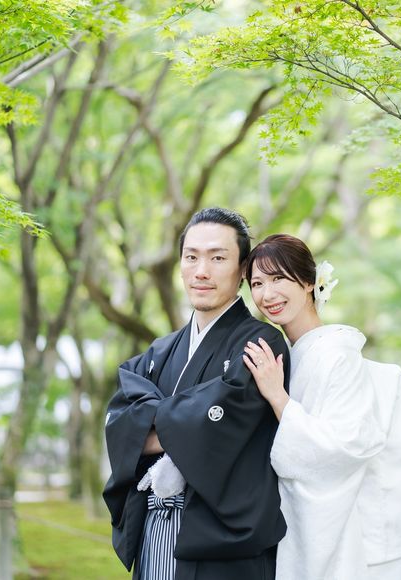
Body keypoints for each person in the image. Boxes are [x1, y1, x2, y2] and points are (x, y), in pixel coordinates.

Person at [103, 209, 290, 580]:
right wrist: (184, 421)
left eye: (217, 258)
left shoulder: (261, 343)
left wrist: (146, 425)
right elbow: (119, 422)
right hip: (154, 532)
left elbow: (221, 424)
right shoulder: (159, 352)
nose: (201, 271)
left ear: (242, 269)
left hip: (224, 548)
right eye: (191, 257)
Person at [243, 234, 401, 580]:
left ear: (309, 282)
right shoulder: (295, 355)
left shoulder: (336, 355)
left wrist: (278, 398)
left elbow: (344, 446)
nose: (267, 294)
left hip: (367, 546)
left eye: (278, 278)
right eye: (257, 283)